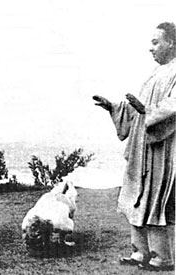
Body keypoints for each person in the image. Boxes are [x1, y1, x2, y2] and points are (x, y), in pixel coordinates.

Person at [93, 22, 176, 271]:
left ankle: (162, 257)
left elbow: (171, 107)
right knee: (136, 198)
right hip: (141, 149)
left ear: (171, 43)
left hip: (161, 150)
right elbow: (138, 108)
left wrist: (147, 111)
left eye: (155, 42)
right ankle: (140, 252)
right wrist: (115, 108)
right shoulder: (155, 74)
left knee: (154, 200)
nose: (150, 48)